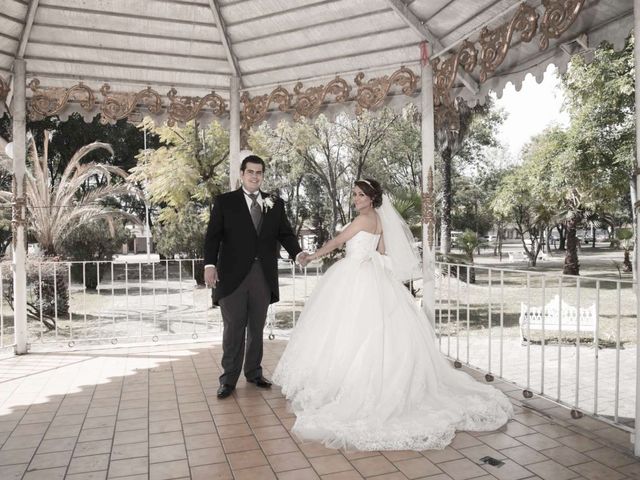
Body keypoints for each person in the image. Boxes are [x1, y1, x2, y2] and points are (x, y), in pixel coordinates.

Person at [273, 179, 513, 451]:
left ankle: (347, 385)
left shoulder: (363, 219)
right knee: (367, 332)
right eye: (354, 194)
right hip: (371, 275)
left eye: (360, 195)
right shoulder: (378, 219)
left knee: (347, 332)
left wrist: (311, 256)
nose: (356, 199)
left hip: (355, 275)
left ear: (371, 198)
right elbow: (384, 251)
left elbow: (338, 241)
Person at [204, 154, 307, 399]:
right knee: (233, 329)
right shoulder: (224, 202)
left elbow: (286, 234)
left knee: (257, 327)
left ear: (262, 175)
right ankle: (228, 379)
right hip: (231, 277)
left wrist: (298, 253)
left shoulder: (275, 203)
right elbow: (212, 237)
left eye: (259, 172)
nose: (254, 176)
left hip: (262, 275)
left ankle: (253, 372)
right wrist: (209, 265)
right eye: (250, 172)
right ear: (241, 174)